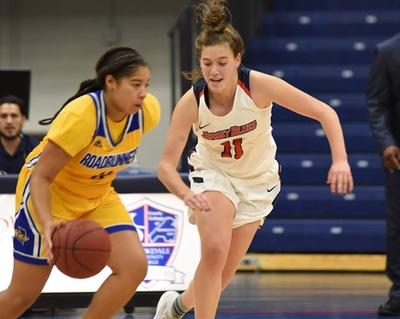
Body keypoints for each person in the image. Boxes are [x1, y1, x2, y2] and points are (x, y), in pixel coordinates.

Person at [153, 0, 354, 318]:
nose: (214, 71)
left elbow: (325, 113)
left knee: (222, 273)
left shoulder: (259, 86)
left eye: (221, 62)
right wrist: (186, 194)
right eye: (207, 64)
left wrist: (340, 159)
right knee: (215, 252)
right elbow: (165, 165)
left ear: (237, 59)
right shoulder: (192, 102)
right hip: (213, 173)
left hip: (257, 179)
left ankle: (175, 307)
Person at [0, 46, 161, 319]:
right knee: (20, 298)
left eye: (146, 84)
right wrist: (48, 221)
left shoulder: (147, 112)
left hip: (97, 195)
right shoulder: (81, 117)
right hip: (49, 195)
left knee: (134, 267)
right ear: (110, 82)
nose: (143, 92)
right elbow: (41, 176)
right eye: (135, 85)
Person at [366, 33, 400, 317]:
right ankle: (399, 291)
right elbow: (377, 104)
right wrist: (386, 142)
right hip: (398, 156)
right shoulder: (387, 50)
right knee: (398, 223)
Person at [0, 94, 39, 174]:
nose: (9, 121)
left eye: (14, 116)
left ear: (23, 119)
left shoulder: (35, 149)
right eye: (4, 116)